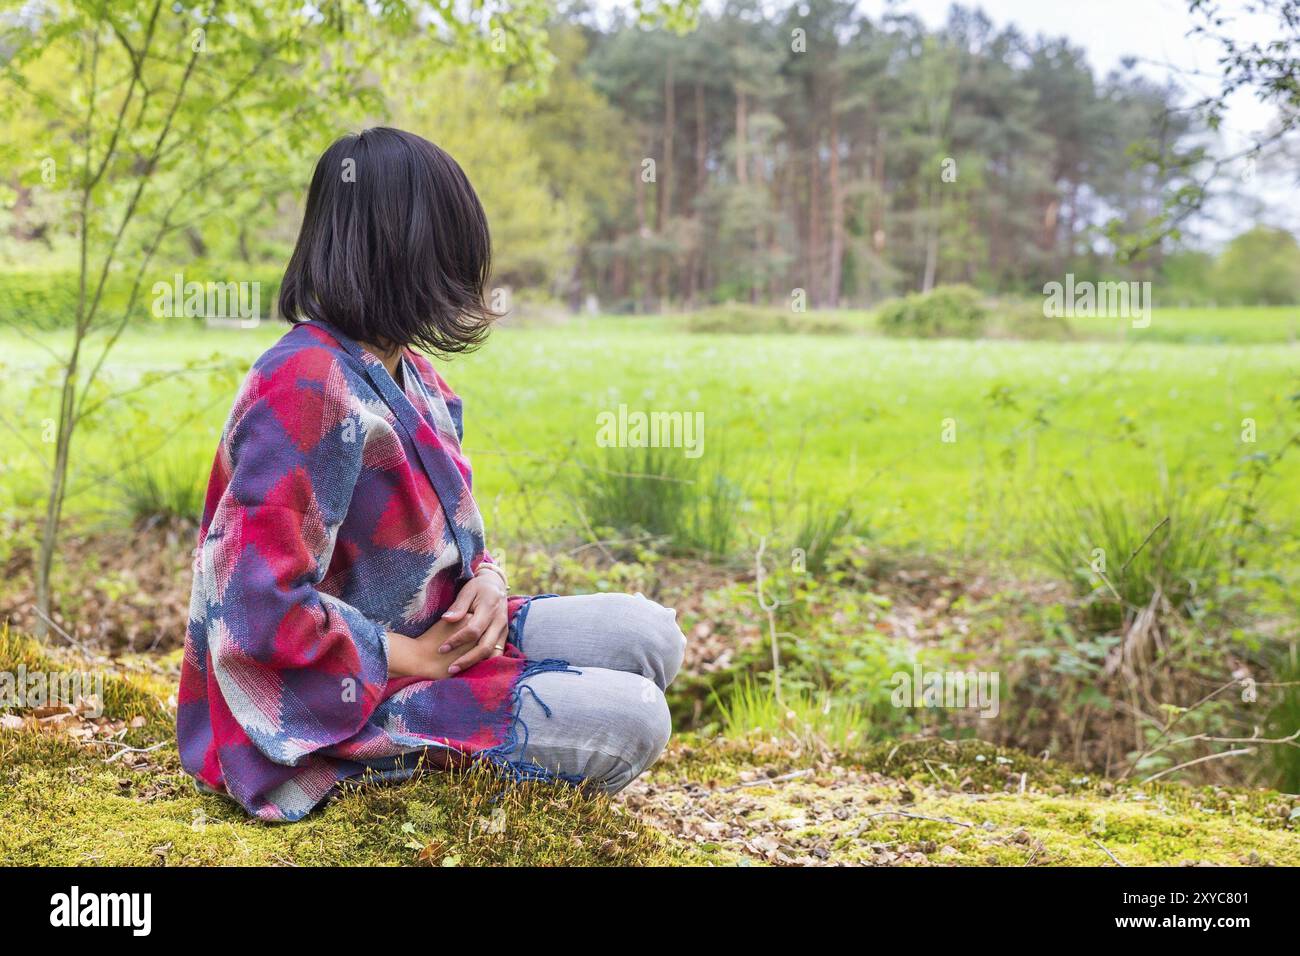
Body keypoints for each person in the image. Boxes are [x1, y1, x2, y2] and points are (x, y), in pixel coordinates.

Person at [176, 127, 686, 822]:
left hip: (437, 638)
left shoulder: (413, 375)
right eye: (451, 245)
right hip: (338, 699)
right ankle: (419, 766)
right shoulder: (302, 384)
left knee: (650, 633)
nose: (465, 269)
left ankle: (485, 722)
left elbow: (461, 538)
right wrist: (412, 658)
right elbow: (257, 607)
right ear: (403, 246)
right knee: (636, 719)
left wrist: (487, 581)